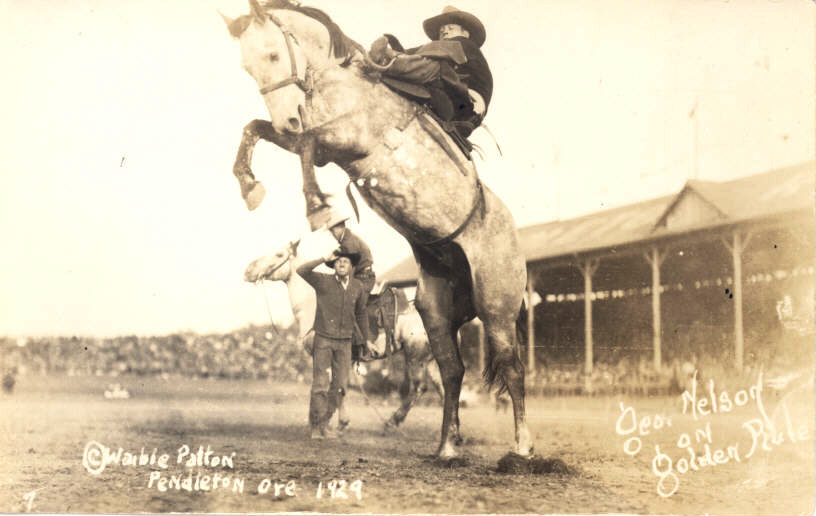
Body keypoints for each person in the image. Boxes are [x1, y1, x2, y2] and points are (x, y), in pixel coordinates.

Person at [368, 6, 493, 139]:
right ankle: (386, 61)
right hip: (455, 100)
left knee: (436, 68)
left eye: (450, 28)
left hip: (465, 104)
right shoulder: (449, 50)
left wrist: (392, 53)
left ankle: (384, 62)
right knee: (431, 67)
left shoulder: (464, 44)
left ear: (465, 33)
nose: (444, 31)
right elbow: (418, 53)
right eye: (441, 30)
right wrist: (399, 53)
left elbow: (422, 53)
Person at [297, 249, 369, 439]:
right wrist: (322, 258)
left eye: (346, 261)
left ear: (352, 266)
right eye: (338, 261)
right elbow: (301, 271)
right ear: (333, 265)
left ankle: (325, 424)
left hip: (345, 343)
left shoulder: (358, 287)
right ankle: (314, 427)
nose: (342, 263)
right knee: (320, 384)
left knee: (340, 386)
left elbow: (361, 314)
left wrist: (365, 341)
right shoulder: (323, 281)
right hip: (323, 339)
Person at [326, 212, 376, 293]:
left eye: (333, 231)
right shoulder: (348, 239)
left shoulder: (349, 243)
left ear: (341, 227)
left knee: (346, 299)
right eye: (331, 232)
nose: (332, 235)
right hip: (362, 276)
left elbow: (349, 269)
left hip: (363, 279)